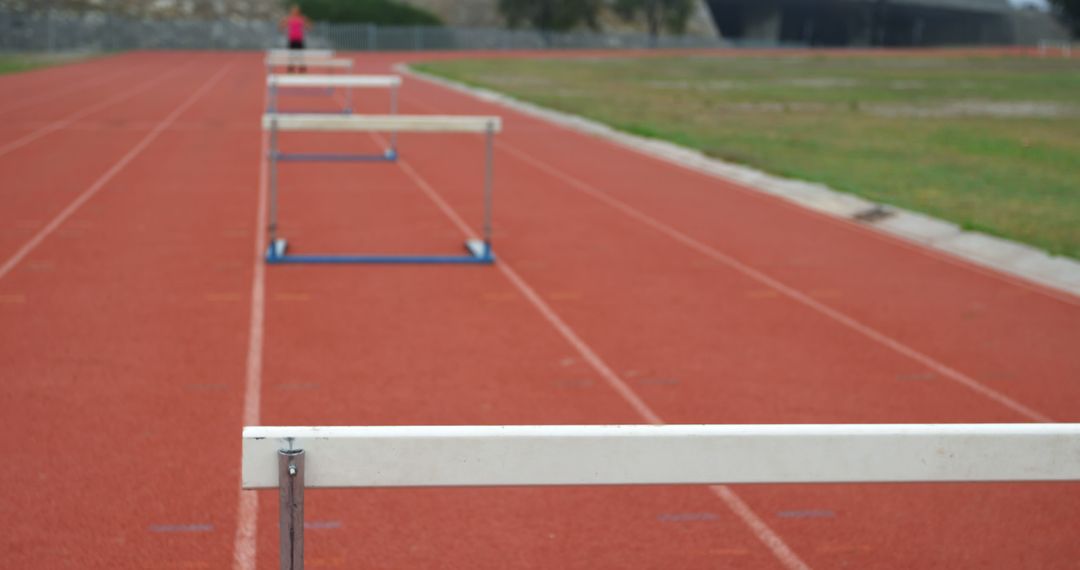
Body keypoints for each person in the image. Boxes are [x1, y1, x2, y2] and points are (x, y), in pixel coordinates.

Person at [279, 5, 311, 73]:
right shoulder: (289, 18)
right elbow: (281, 26)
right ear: (291, 11)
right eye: (293, 11)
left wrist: (307, 24)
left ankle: (302, 69)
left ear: (299, 11)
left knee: (301, 55)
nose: (295, 12)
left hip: (299, 39)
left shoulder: (301, 18)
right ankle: (291, 69)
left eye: (296, 11)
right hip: (292, 39)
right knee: (291, 55)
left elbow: (309, 27)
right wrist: (283, 28)